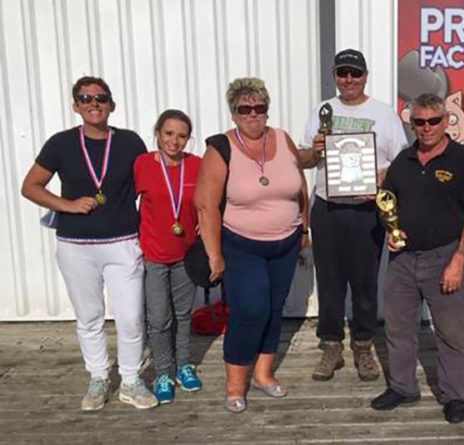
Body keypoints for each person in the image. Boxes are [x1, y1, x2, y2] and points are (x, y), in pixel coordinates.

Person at [20, 76, 158, 410]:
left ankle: (130, 379)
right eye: (85, 98)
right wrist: (67, 205)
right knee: (90, 316)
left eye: (100, 98)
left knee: (130, 317)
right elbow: (31, 186)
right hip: (76, 245)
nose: (93, 103)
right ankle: (98, 377)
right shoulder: (61, 143)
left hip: (123, 242)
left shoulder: (129, 141)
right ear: (75, 105)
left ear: (112, 104)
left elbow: (151, 186)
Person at [370, 93, 464, 424]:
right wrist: (389, 230)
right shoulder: (403, 162)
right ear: (411, 123)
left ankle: (453, 395)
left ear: (446, 120)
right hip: (402, 261)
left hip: (445, 257)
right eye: (418, 122)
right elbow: (386, 205)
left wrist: (459, 259)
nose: (426, 128)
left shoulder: (463, 160)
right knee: (398, 329)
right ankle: (403, 387)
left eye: (433, 121)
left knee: (451, 333)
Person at [195, 77, 309, 413]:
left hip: (286, 243)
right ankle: (235, 383)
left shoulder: (282, 138)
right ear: (233, 113)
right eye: (245, 109)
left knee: (274, 308)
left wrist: (305, 227)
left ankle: (263, 373)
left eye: (260, 108)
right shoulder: (221, 148)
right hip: (242, 244)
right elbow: (206, 206)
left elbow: (299, 185)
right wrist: (215, 255)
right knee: (250, 310)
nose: (253, 115)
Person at [298, 49, 408, 382]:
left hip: (366, 210)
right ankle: (331, 345)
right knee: (329, 282)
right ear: (334, 74)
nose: (349, 80)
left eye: (355, 73)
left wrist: (378, 180)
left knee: (364, 282)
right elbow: (302, 159)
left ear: (365, 76)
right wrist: (315, 150)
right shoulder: (321, 110)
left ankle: (362, 344)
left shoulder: (384, 114)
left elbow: (400, 164)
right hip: (327, 207)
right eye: (343, 73)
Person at [134, 109, 203, 404]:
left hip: (185, 253)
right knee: (159, 318)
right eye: (169, 133)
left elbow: (209, 203)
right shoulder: (142, 164)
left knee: (183, 315)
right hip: (154, 254)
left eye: (182, 135)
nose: (175, 141)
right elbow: (124, 201)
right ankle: (163, 371)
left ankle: (183, 365)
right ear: (158, 133)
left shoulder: (197, 165)